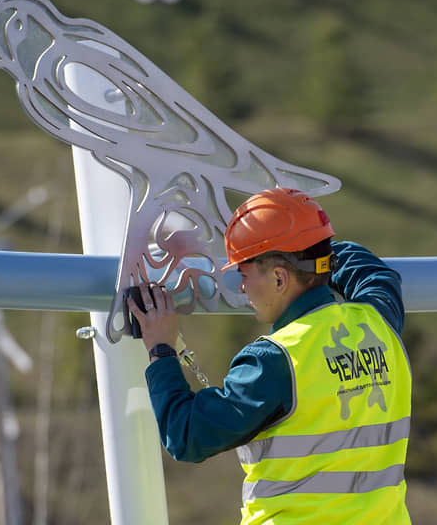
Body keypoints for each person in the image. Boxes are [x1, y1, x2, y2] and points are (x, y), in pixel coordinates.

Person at [128, 187, 412, 524]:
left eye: (244, 273)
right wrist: (304, 243)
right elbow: (372, 272)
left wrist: (161, 349)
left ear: (279, 278)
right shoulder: (378, 322)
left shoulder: (275, 361)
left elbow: (186, 436)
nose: (241, 288)